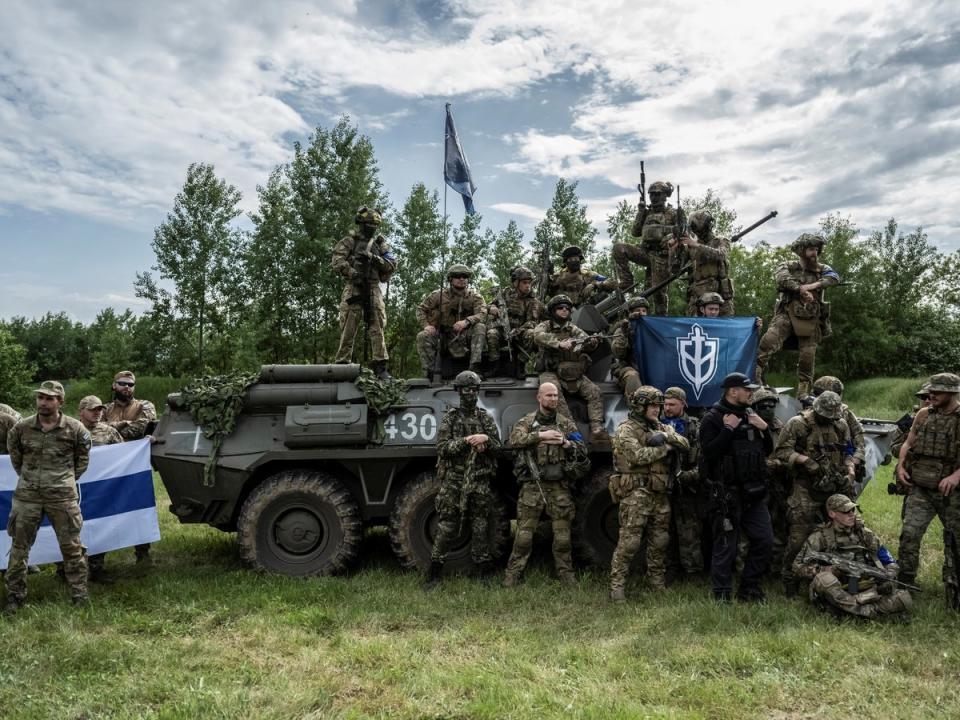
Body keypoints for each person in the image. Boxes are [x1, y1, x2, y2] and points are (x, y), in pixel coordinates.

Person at [4, 381, 91, 613]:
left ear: (60, 402)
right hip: (27, 497)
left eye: (49, 398)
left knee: (72, 547)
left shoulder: (75, 429)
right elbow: (16, 458)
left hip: (62, 497)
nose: (43, 402)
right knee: (19, 548)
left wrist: (62, 480)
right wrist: (31, 479)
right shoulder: (21, 428)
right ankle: (15, 597)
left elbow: (81, 461)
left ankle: (79, 594)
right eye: (40, 397)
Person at [502, 382, 590, 587]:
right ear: (539, 398)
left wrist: (565, 443)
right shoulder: (527, 422)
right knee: (523, 536)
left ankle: (566, 575)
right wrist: (541, 436)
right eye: (549, 395)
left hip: (559, 487)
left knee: (562, 538)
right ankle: (512, 574)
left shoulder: (566, 424)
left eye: (556, 396)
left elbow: (582, 450)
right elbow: (514, 440)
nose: (553, 399)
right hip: (533, 487)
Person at [609, 386, 689, 601]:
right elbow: (637, 457)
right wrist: (666, 448)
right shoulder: (626, 430)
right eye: (652, 406)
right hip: (637, 492)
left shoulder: (661, 427)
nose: (657, 410)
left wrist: (664, 435)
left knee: (660, 540)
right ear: (639, 407)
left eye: (658, 405)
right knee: (630, 542)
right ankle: (617, 586)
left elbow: (685, 444)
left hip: (660, 492)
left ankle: (656, 582)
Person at [699, 372, 773, 603]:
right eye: (747, 389)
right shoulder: (712, 418)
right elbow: (709, 453)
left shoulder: (752, 414)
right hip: (727, 495)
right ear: (732, 391)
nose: (751, 393)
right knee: (726, 547)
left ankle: (749, 589)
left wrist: (765, 430)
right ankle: (722, 596)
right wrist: (728, 430)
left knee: (764, 540)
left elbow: (766, 451)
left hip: (754, 493)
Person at [423, 370, 501, 587]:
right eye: (467, 389)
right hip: (454, 480)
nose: (471, 393)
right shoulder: (451, 417)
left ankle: (483, 570)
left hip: (479, 479)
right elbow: (442, 448)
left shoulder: (484, 418)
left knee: (480, 525)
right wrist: (466, 441)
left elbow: (499, 448)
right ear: (459, 391)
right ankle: (434, 573)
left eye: (475, 389)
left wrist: (486, 440)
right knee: (447, 525)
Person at [774, 390, 855, 597]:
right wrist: (805, 461)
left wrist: (850, 469)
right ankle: (790, 580)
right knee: (798, 537)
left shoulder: (841, 425)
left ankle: (832, 579)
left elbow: (848, 452)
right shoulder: (797, 424)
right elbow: (781, 451)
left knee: (840, 533)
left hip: (833, 488)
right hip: (805, 488)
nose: (829, 419)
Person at [895, 372, 960, 608]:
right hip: (921, 488)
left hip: (950, 493)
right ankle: (905, 586)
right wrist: (901, 465)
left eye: (937, 392)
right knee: (910, 535)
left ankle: (954, 592)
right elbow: (909, 442)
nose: (931, 395)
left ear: (952, 393)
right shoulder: (924, 414)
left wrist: (955, 475)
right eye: (930, 391)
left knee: (954, 542)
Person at [792, 494, 912, 619]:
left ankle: (845, 611)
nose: (851, 514)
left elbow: (886, 557)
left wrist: (890, 572)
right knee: (824, 579)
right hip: (837, 588)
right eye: (845, 511)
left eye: (853, 510)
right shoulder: (819, 537)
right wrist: (823, 570)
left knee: (903, 598)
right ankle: (870, 612)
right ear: (832, 514)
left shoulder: (864, 533)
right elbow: (797, 566)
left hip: (863, 585)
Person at [755, 233, 840, 397]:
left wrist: (812, 286)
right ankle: (756, 381)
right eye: (810, 249)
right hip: (786, 313)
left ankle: (803, 395)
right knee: (768, 342)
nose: (814, 253)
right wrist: (800, 290)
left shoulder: (822, 268)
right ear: (801, 251)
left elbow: (834, 277)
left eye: (816, 249)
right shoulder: (788, 265)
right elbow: (781, 278)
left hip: (811, 317)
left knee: (807, 357)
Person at [332, 205, 397, 378]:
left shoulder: (380, 245)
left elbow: (391, 264)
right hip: (354, 287)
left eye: (375, 225)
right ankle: (343, 364)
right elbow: (337, 261)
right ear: (361, 223)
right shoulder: (349, 241)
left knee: (378, 326)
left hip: (373, 288)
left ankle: (381, 366)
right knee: (348, 326)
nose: (372, 228)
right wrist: (352, 273)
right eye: (369, 224)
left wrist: (374, 258)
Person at [532, 295, 607, 443]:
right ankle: (570, 430)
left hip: (571, 372)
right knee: (554, 394)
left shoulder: (572, 328)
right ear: (553, 311)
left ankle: (596, 429)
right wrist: (559, 343)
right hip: (550, 371)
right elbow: (538, 336)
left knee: (594, 392)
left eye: (567, 308)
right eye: (560, 308)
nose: (565, 310)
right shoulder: (545, 325)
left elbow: (584, 340)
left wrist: (592, 342)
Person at [103, 370, 157, 566]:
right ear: (114, 386)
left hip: (135, 467)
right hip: (109, 469)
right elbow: (97, 430)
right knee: (105, 508)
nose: (127, 387)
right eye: (123, 383)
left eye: (131, 384)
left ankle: (143, 554)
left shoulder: (145, 406)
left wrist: (113, 428)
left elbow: (141, 427)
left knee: (139, 508)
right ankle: (98, 558)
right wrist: (124, 424)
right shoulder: (104, 409)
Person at [613, 180, 677, 316]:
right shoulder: (646, 213)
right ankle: (626, 281)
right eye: (652, 195)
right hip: (645, 252)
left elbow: (684, 234)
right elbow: (635, 232)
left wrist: (669, 235)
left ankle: (660, 320)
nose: (654, 198)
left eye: (657, 194)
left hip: (662, 256)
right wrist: (640, 212)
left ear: (665, 196)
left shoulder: (673, 213)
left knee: (657, 291)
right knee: (619, 248)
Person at [77, 395, 122, 583]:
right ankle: (66, 569)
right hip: (73, 487)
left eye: (100, 409)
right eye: (92, 409)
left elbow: (123, 454)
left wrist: (144, 443)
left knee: (99, 524)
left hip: (99, 488)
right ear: (81, 412)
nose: (97, 413)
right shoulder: (71, 429)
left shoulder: (109, 432)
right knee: (71, 527)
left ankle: (97, 568)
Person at [416, 265, 488, 379]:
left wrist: (467, 321)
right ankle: (429, 374)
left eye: (465, 276)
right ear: (450, 279)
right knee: (423, 336)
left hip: (466, 336)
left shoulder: (475, 297)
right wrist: (426, 325)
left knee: (480, 327)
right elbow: (421, 309)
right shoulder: (438, 295)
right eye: (457, 276)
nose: (462, 279)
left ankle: (474, 368)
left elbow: (483, 314)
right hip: (444, 336)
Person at [661, 387, 703, 578]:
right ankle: (669, 568)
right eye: (665, 404)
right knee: (663, 530)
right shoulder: (656, 424)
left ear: (683, 404)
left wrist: (690, 476)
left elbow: (704, 459)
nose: (667, 408)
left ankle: (692, 570)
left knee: (689, 530)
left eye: (672, 404)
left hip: (686, 485)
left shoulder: (694, 426)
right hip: (661, 485)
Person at [750, 386, 789, 572]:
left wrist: (771, 464)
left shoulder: (783, 428)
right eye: (763, 405)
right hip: (753, 486)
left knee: (778, 529)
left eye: (772, 405)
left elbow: (788, 456)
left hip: (778, 486)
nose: (768, 409)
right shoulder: (747, 428)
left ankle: (773, 569)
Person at [485, 266, 545, 378]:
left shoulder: (533, 301)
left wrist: (519, 330)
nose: (528, 286)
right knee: (492, 333)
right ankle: (494, 365)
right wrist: (491, 308)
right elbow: (487, 306)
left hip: (520, 333)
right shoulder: (505, 294)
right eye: (524, 283)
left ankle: (520, 365)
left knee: (532, 333)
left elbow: (533, 322)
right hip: (502, 331)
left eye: (529, 283)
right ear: (516, 283)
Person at [672, 210, 734, 316]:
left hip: (719, 293)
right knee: (693, 327)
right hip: (697, 294)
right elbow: (675, 269)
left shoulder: (720, 241)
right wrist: (675, 249)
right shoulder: (691, 246)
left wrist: (696, 245)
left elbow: (721, 254)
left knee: (724, 327)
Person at [812, 376, 866, 487]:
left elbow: (858, 435)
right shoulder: (811, 412)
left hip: (842, 463)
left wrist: (855, 459)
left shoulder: (845, 412)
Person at [546, 246, 616, 308]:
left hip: (585, 310)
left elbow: (611, 283)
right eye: (571, 259)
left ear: (580, 260)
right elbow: (547, 292)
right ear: (565, 262)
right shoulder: (556, 277)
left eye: (576, 259)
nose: (574, 261)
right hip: (562, 311)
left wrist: (594, 284)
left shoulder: (588, 274)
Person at [610, 296, 648, 399]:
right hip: (627, 366)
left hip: (648, 367)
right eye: (637, 310)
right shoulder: (623, 329)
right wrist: (625, 331)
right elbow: (618, 353)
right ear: (630, 312)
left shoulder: (651, 330)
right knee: (632, 376)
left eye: (644, 310)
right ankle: (637, 409)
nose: (641, 313)